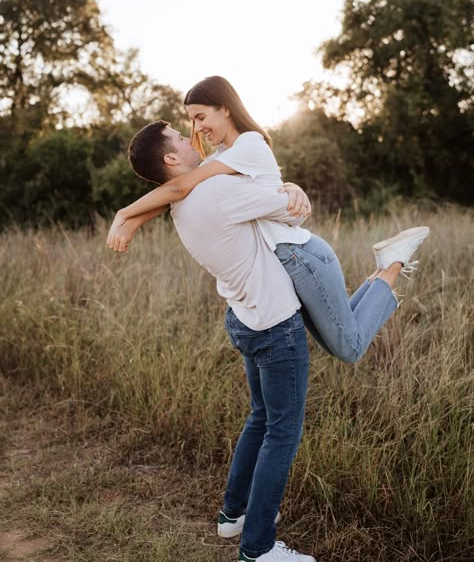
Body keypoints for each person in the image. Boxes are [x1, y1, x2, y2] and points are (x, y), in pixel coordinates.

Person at [110, 120, 317, 562]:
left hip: (243, 318)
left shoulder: (182, 202)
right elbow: (292, 211)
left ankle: (233, 516)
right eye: (181, 139)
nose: (192, 139)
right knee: (282, 431)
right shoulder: (214, 191)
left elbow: (187, 190)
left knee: (261, 418)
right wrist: (292, 190)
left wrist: (129, 216)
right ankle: (257, 551)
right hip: (273, 322)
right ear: (170, 159)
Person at [108, 76, 430, 364]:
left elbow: (179, 187)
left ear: (225, 108)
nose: (196, 130)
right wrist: (136, 221)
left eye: (200, 118)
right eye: (191, 122)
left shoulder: (247, 144)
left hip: (299, 255)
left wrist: (126, 215)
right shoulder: (220, 156)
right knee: (343, 341)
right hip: (290, 258)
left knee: (349, 348)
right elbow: (181, 194)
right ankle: (383, 267)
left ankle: (392, 265)